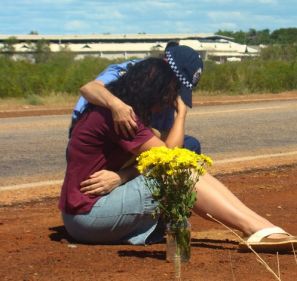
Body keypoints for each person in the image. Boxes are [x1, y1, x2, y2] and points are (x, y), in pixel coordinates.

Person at [60, 46, 297, 252]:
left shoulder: (128, 113)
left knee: (186, 158)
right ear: (151, 89)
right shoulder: (121, 116)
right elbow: (168, 157)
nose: (169, 100)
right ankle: (255, 228)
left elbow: (168, 150)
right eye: (168, 94)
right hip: (87, 217)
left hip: (91, 211)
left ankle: (260, 226)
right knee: (179, 171)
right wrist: (181, 114)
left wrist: (122, 176)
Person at [71, 41, 201, 155]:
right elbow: (89, 88)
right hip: (98, 140)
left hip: (136, 138)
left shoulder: (166, 92)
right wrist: (117, 106)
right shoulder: (135, 72)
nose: (175, 92)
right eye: (177, 85)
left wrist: (153, 132)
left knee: (190, 145)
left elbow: (168, 140)